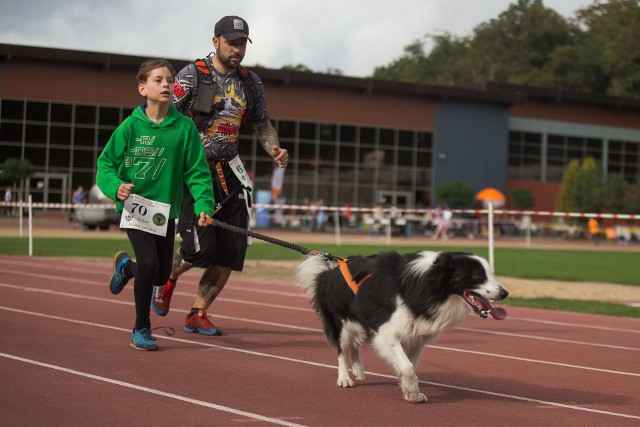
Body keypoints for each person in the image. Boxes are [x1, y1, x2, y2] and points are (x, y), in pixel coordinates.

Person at [151, 16, 288, 336]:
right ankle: (166, 279)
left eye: (242, 43)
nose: (237, 49)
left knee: (231, 250)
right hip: (194, 171)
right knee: (200, 250)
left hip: (231, 171)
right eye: (231, 42)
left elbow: (261, 123)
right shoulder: (192, 75)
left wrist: (275, 150)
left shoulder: (250, 82)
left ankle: (198, 312)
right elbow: (163, 114)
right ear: (216, 42)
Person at [96, 59, 215, 351]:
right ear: (142, 88)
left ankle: (126, 267)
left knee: (160, 274)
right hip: (134, 207)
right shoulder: (130, 126)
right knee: (149, 263)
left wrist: (203, 205)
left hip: (164, 212)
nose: (165, 85)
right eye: (158, 80)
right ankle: (141, 328)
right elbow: (105, 165)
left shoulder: (184, 128)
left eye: (168, 80)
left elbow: (197, 172)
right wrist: (115, 187)